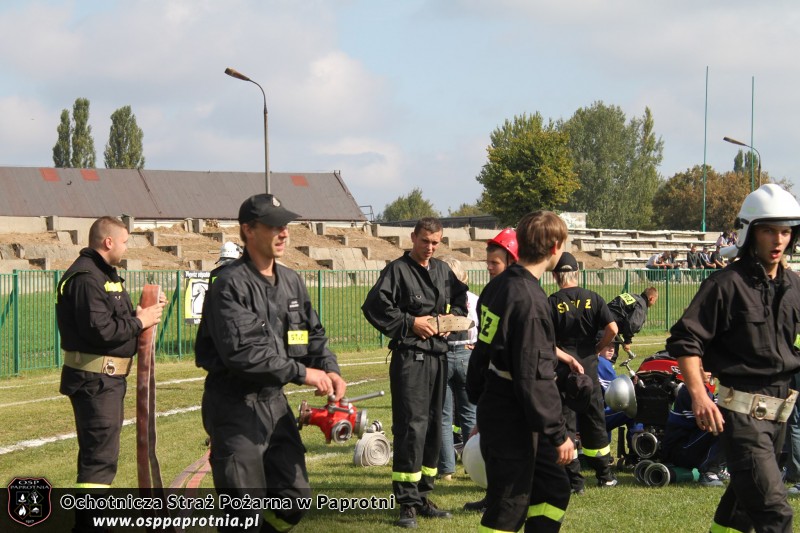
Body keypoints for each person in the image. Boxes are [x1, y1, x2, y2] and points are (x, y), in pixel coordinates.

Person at [196, 193, 347, 532]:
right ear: (248, 230)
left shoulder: (291, 280)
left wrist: (330, 368)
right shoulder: (230, 285)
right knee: (242, 512)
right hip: (235, 407)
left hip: (274, 405)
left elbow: (312, 335)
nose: (284, 233)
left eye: (286, 226)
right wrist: (303, 373)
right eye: (273, 226)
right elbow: (243, 354)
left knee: (294, 499)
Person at [666, 183, 800, 532]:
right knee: (775, 513)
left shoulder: (796, 287)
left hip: (780, 418)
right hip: (742, 419)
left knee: (739, 511)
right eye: (769, 230)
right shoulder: (725, 285)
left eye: (785, 231)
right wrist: (698, 395)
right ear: (750, 232)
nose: (778, 240)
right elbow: (686, 340)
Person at [466, 211, 574, 533]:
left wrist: (480, 400)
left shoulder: (498, 286)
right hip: (514, 413)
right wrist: (558, 433)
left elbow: (483, 351)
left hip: (503, 404)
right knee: (509, 505)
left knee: (553, 487)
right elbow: (533, 378)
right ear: (555, 247)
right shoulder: (529, 300)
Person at [56, 216, 165, 532]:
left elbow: (113, 320)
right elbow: (101, 331)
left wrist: (143, 311)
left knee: (99, 456)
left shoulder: (104, 275)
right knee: (99, 461)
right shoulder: (86, 278)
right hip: (95, 381)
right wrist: (139, 322)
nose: (126, 246)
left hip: (105, 381)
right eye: (125, 241)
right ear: (108, 242)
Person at [361, 216, 468, 529]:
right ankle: (406, 503)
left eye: (435, 243)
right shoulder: (397, 270)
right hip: (411, 359)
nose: (430, 248)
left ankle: (423, 495)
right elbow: (374, 306)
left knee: (436, 426)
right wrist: (410, 323)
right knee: (411, 428)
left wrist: (450, 323)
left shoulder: (443, 271)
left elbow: (461, 303)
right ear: (413, 238)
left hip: (439, 358)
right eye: (425, 241)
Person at [548, 252, 619, 492]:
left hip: (563, 369)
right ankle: (604, 475)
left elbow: (547, 342)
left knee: (566, 421)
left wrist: (566, 357)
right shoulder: (594, 298)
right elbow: (613, 328)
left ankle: (574, 481)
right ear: (577, 273)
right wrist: (598, 348)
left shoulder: (551, 301)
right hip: (590, 366)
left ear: (556, 276)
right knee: (594, 420)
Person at [437, 257, 479, 481]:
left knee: (444, 415)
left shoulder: (439, 299)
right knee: (469, 414)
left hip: (443, 353)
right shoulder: (474, 299)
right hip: (467, 353)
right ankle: (473, 465)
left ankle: (446, 469)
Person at [660, 375, 726, 487]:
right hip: (678, 451)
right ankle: (709, 472)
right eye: (702, 367)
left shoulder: (703, 391)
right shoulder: (690, 392)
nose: (709, 372)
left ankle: (721, 468)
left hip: (689, 445)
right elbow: (710, 419)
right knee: (725, 422)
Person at [606, 287, 658, 361]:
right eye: (655, 301)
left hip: (602, 322)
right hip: (608, 328)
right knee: (610, 356)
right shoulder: (641, 305)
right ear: (651, 298)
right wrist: (627, 341)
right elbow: (633, 323)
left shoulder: (632, 296)